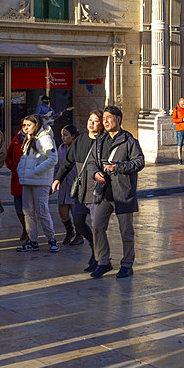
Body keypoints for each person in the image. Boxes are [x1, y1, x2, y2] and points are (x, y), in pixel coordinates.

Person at [86, 105, 145, 280]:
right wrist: (95, 173)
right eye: (103, 118)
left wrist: (118, 167)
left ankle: (127, 265)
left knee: (126, 232)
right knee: (97, 226)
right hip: (104, 192)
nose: (105, 121)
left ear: (118, 119)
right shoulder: (100, 140)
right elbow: (91, 162)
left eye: (109, 117)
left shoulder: (128, 140)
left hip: (123, 194)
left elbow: (139, 162)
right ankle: (103, 262)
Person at [52, 110, 103, 272]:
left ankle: (99, 257)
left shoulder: (104, 142)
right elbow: (68, 161)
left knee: (97, 226)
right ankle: (94, 247)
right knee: (79, 222)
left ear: (101, 124)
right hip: (81, 188)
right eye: (90, 119)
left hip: (97, 189)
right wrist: (58, 178)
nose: (91, 123)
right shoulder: (80, 140)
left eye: (95, 121)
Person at [16, 113, 59, 253]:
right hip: (27, 180)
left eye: (29, 125)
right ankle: (32, 240)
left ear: (37, 125)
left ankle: (51, 238)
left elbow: (52, 158)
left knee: (42, 210)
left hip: (40, 181)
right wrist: (21, 170)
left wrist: (36, 170)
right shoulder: (28, 139)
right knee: (28, 211)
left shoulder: (45, 138)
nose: (26, 128)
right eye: (24, 125)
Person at [54, 124, 79, 244]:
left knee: (76, 212)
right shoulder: (61, 148)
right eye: (62, 136)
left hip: (76, 185)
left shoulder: (79, 148)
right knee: (63, 213)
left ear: (73, 136)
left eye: (66, 135)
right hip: (64, 185)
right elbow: (58, 166)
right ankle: (69, 231)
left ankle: (79, 234)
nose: (63, 138)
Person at [5, 126, 27, 243]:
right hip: (17, 179)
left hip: (30, 179)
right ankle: (25, 228)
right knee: (18, 207)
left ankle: (29, 231)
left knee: (29, 209)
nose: (26, 127)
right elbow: (8, 154)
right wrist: (12, 166)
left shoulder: (37, 139)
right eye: (24, 125)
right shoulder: (17, 138)